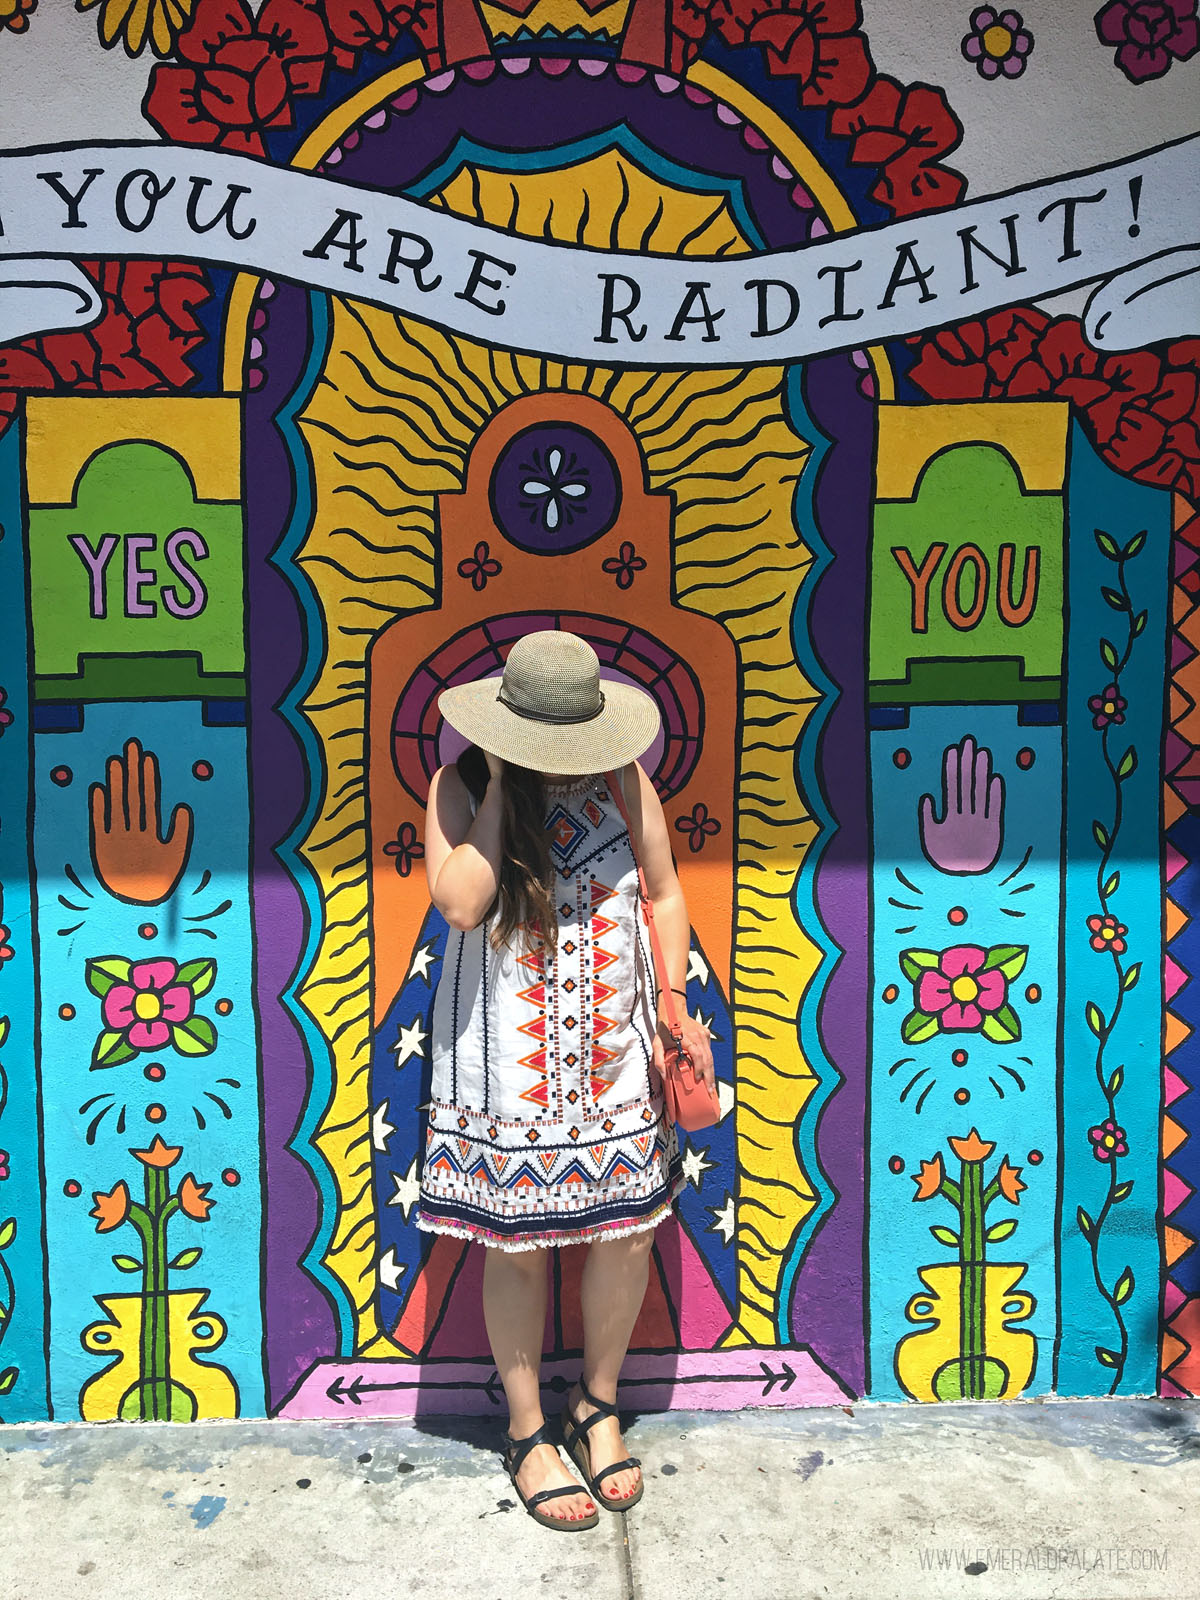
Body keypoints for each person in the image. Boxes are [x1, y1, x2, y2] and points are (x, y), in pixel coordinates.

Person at [420, 629, 715, 1531]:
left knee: (626, 1236)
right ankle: (526, 1429)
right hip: (502, 1068)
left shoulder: (626, 782)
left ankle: (594, 1404)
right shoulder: (460, 785)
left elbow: (664, 890)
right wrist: (506, 784)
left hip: (615, 1056)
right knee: (513, 1243)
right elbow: (462, 900)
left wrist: (671, 1004)